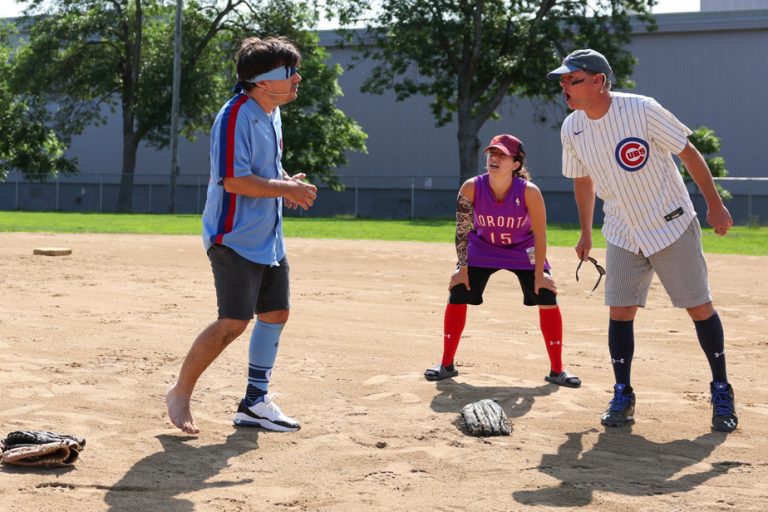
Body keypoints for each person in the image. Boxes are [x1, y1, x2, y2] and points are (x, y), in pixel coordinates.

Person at [547, 49, 737, 432]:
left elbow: (688, 151)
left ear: (598, 81)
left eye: (573, 79)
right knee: (620, 311)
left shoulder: (642, 109)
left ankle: (721, 389)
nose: (564, 86)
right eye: (563, 80)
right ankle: (623, 393)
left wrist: (714, 205)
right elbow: (582, 179)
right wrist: (585, 231)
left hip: (670, 222)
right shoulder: (572, 127)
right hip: (621, 228)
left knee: (699, 307)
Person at [165, 36, 317, 434]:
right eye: (289, 73)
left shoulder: (272, 112)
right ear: (263, 82)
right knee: (233, 322)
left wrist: (285, 180)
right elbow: (233, 180)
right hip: (232, 237)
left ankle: (254, 402)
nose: (297, 78)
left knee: (275, 313)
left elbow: (262, 167)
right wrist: (286, 190)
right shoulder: (235, 115)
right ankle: (180, 391)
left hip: (268, 236)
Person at [424, 134, 582, 389]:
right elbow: (462, 231)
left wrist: (541, 273)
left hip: (523, 249)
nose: (494, 158)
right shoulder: (471, 187)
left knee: (546, 294)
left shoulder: (529, 192)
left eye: (502, 155)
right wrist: (461, 268)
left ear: (516, 164)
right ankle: (446, 364)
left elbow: (540, 235)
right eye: (491, 153)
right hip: (482, 248)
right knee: (458, 290)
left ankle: (557, 370)